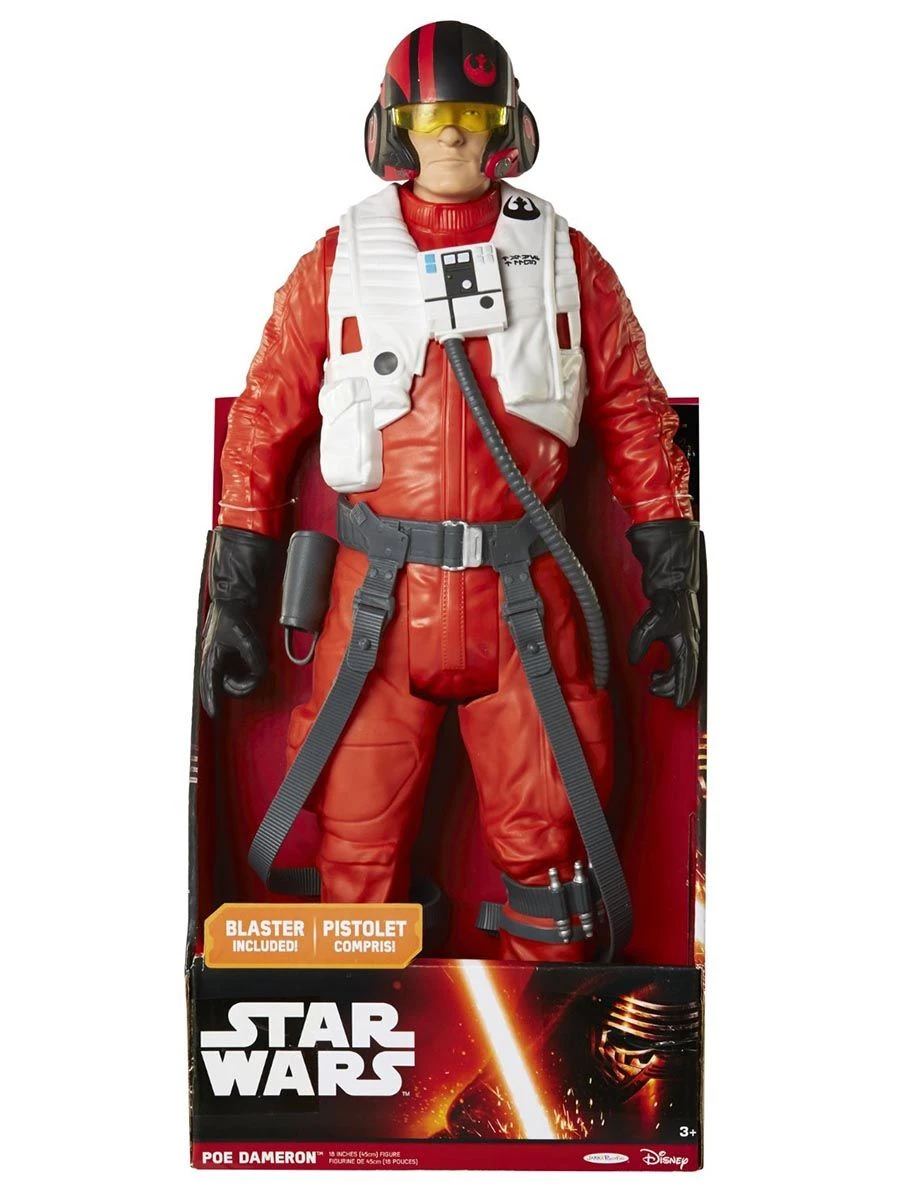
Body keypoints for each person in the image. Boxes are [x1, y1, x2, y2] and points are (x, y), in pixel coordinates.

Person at [199, 21, 700, 962]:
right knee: (354, 856)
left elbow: (635, 411)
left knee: (552, 858)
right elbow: (265, 418)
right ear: (394, 128)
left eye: (475, 115)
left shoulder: (565, 260)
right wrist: (233, 590)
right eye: (433, 117)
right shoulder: (337, 262)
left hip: (524, 603)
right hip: (378, 607)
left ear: (510, 126)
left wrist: (673, 576)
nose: (456, 136)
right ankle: (360, 1036)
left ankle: (543, 1046)